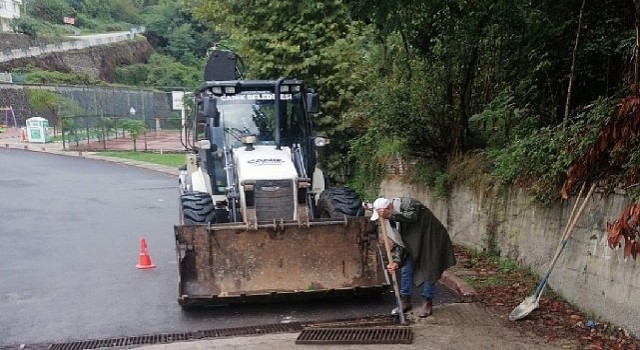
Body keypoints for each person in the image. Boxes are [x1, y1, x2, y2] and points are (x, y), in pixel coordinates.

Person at [371, 197, 456, 317]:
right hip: (412, 244)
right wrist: (396, 262)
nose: (382, 219)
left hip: (430, 239)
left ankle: (427, 301)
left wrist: (391, 215)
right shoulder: (390, 223)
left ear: (388, 208)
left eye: (382, 215)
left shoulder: (407, 203)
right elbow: (400, 244)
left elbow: (411, 217)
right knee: (406, 268)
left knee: (429, 270)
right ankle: (405, 301)